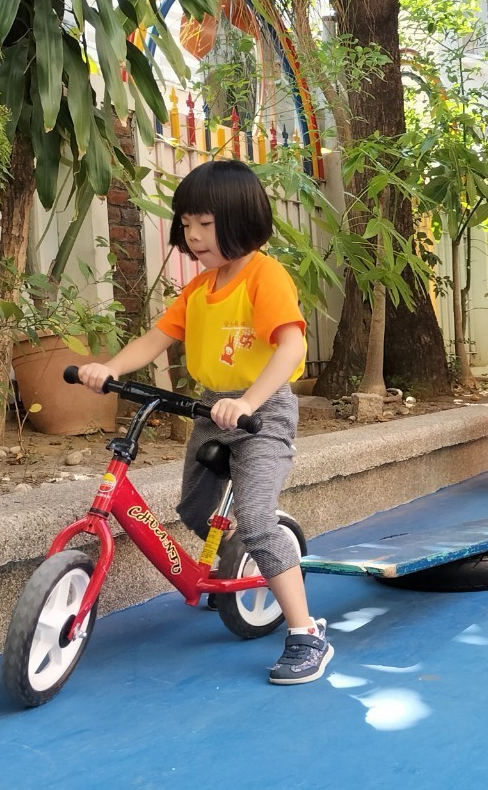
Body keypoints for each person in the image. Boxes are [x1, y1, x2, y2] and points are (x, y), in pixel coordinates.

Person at [77, 160, 332, 686]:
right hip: (212, 408)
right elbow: (156, 338)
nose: (193, 236)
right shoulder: (199, 289)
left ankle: (306, 632)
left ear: (241, 220)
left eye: (206, 224)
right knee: (195, 509)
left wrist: (250, 401)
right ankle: (241, 558)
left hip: (262, 411)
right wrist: (109, 369)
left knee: (255, 519)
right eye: (187, 224)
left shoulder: (265, 276)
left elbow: (291, 347)